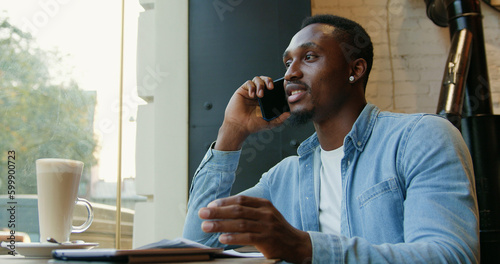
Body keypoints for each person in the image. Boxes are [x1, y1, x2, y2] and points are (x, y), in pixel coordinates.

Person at [182, 14, 479, 263]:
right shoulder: (285, 177)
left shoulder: (419, 139)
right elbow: (199, 243)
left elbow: (449, 255)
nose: (291, 74)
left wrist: (306, 247)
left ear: (355, 69)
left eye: (309, 57)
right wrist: (231, 133)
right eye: (287, 63)